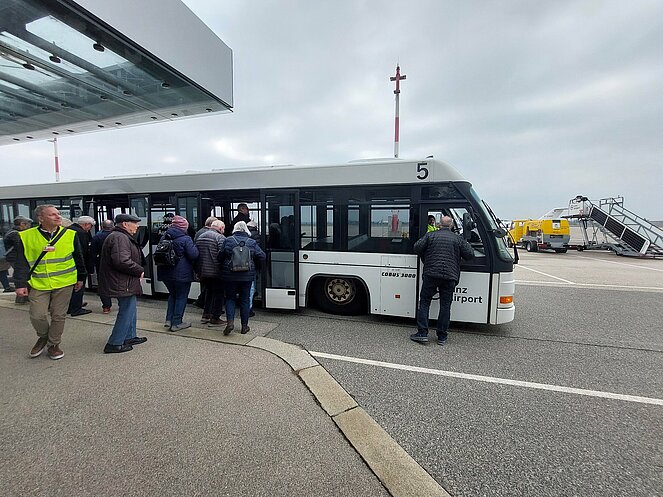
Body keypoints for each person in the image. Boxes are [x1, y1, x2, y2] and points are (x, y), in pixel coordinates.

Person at [13, 205, 87, 360]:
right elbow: (21, 262)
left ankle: (53, 344)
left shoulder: (70, 234)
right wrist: (20, 284)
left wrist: (81, 278)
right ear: (41, 218)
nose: (58, 216)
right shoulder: (25, 236)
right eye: (52, 214)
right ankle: (43, 336)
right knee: (37, 315)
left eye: (58, 213)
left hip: (64, 281)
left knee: (58, 315)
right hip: (38, 282)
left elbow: (78, 257)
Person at [411, 215, 474, 346]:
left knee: (424, 303)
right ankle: (442, 336)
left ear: (439, 224)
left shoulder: (430, 236)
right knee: (445, 306)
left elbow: (416, 247)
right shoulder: (458, 239)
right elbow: (470, 255)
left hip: (431, 274)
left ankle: (422, 333)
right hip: (450, 276)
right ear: (451, 226)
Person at [98, 214, 147, 353]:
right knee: (126, 311)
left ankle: (130, 336)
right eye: (135, 223)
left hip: (124, 281)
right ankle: (115, 343)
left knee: (131, 309)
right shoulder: (120, 237)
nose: (137, 226)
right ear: (125, 224)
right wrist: (139, 270)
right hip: (122, 282)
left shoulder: (120, 236)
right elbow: (121, 261)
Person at [219, 221, 265, 335]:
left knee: (230, 299)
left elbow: (220, 256)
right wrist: (253, 263)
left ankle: (230, 323)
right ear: (246, 230)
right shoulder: (251, 242)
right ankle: (244, 326)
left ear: (235, 229)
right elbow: (262, 256)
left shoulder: (228, 240)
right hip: (247, 276)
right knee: (245, 299)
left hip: (230, 275)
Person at [157, 215, 199, 331]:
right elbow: (194, 255)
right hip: (181, 274)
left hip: (165, 272)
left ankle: (168, 320)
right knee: (181, 297)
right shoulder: (186, 239)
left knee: (172, 295)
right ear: (184, 227)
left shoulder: (164, 236)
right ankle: (177, 323)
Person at [195, 220, 226, 326]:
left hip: (203, 271)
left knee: (208, 292)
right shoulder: (220, 237)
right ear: (221, 228)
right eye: (223, 229)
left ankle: (206, 314)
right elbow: (222, 254)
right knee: (219, 294)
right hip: (215, 271)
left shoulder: (201, 236)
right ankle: (215, 317)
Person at [67, 215, 96, 316]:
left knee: (71, 287)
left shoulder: (68, 230)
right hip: (79, 264)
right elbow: (83, 252)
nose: (90, 229)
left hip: (68, 264)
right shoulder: (82, 233)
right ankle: (76, 308)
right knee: (79, 286)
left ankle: (70, 306)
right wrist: (88, 267)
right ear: (86, 224)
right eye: (90, 226)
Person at [3, 215, 33, 303]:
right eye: (27, 224)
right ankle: (22, 298)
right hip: (16, 258)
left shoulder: (11, 232)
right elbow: (22, 245)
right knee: (22, 275)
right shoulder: (15, 234)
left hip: (14, 257)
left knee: (23, 275)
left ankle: (23, 297)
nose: (29, 226)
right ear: (22, 224)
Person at [193, 215, 218, 308]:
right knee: (210, 287)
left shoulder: (200, 232)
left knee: (207, 285)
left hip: (201, 263)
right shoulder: (209, 234)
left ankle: (202, 302)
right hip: (208, 264)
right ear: (211, 224)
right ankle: (203, 303)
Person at [91, 219, 115, 313]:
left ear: (102, 227)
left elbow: (93, 253)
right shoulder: (118, 236)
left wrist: (91, 266)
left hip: (101, 264)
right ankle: (122, 304)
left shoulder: (97, 237)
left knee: (103, 285)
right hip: (117, 264)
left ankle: (106, 307)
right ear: (113, 226)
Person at [246, 220, 261, 317]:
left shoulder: (233, 238)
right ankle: (248, 309)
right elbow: (259, 253)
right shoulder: (256, 236)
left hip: (239, 266)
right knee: (251, 287)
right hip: (251, 265)